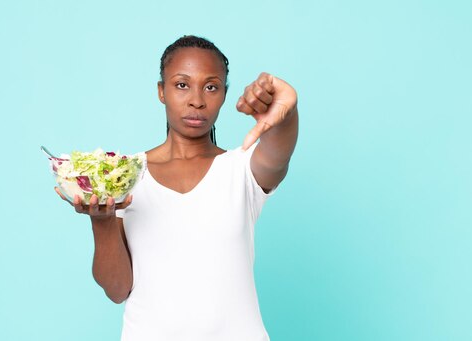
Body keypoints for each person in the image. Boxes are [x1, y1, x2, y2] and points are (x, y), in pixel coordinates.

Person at [55, 35, 298, 341]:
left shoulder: (242, 170)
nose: (197, 100)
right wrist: (101, 220)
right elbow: (117, 290)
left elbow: (279, 151)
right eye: (182, 84)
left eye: (211, 87)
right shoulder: (125, 174)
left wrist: (286, 109)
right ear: (161, 91)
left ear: (224, 94)